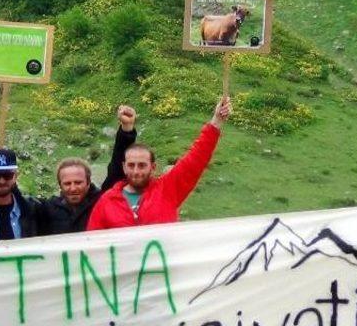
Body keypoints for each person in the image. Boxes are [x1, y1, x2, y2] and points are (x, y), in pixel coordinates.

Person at [87, 97, 231, 230]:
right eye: (131, 165)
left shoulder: (167, 190)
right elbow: (91, 246)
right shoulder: (106, 201)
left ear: (153, 167)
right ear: (124, 167)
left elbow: (195, 160)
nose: (136, 171)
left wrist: (217, 121)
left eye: (142, 165)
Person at [39, 105, 137, 235]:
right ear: (59, 185)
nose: (73, 188)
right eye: (67, 183)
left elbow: (117, 170)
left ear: (88, 181)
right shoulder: (48, 209)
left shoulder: (102, 201)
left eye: (78, 182)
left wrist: (126, 130)